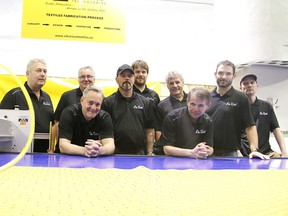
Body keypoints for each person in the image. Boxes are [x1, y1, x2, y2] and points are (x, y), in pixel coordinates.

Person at [205, 60, 269, 159]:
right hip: (206, 151)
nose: (224, 76)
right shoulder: (206, 97)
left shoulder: (241, 98)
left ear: (233, 76)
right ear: (215, 74)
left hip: (229, 154)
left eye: (228, 74)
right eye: (220, 73)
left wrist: (254, 150)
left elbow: (250, 126)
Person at [0, 58, 54, 153]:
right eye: (38, 70)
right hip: (19, 152)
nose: (42, 74)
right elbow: (2, 124)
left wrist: (52, 148)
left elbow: (52, 124)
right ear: (27, 73)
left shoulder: (47, 97)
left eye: (45, 71)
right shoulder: (14, 95)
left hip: (44, 153)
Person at [101, 64, 155, 155]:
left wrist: (150, 151)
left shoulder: (145, 103)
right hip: (115, 154)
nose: (126, 78)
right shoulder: (107, 103)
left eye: (130, 76)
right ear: (116, 79)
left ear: (134, 79)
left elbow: (149, 130)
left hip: (139, 155)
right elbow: (103, 130)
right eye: (123, 76)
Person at [155, 87, 213, 159]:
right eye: (193, 104)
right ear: (187, 102)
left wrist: (205, 150)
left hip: (194, 159)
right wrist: (192, 152)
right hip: (172, 160)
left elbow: (210, 148)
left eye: (201, 105)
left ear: (208, 106)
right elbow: (167, 149)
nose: (196, 109)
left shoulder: (208, 121)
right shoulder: (172, 117)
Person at [239, 74, 288, 157]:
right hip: (245, 154)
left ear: (257, 86)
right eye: (246, 83)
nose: (249, 85)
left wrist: (284, 152)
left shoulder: (266, 106)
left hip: (266, 153)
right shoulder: (238, 107)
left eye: (252, 82)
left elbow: (276, 129)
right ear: (240, 88)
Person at [58, 86, 115, 157]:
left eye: (97, 104)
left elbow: (111, 147)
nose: (93, 108)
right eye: (90, 103)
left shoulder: (104, 117)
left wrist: (98, 150)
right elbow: (63, 146)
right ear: (82, 100)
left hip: (92, 160)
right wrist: (85, 151)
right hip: (67, 159)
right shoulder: (69, 113)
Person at [53, 66, 95, 152]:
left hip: (91, 149)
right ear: (78, 79)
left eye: (89, 76)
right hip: (68, 149)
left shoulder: (100, 99)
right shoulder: (67, 96)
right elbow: (56, 124)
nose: (86, 79)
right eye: (82, 77)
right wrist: (55, 147)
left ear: (94, 79)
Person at [156, 70, 188, 140]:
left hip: (191, 147)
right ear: (167, 86)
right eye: (171, 83)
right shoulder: (161, 105)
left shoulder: (192, 101)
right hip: (170, 147)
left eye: (177, 82)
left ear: (183, 83)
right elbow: (158, 130)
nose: (175, 86)